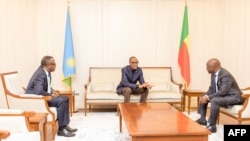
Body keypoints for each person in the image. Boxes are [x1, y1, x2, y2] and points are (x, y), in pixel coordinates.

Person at [25, 56, 77, 137]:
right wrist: (50, 95)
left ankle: (64, 125)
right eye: (54, 64)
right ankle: (61, 130)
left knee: (66, 98)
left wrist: (53, 91)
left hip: (43, 96)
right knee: (61, 101)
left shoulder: (46, 71)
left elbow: (47, 85)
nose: (55, 66)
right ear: (48, 65)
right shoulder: (40, 74)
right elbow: (38, 91)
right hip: (37, 100)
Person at [195, 58, 244, 133]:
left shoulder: (225, 75)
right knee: (204, 95)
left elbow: (223, 92)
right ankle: (202, 119)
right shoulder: (213, 74)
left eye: (208, 67)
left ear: (215, 67)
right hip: (226, 96)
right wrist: (205, 96)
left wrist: (208, 97)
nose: (206, 68)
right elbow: (211, 88)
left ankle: (212, 126)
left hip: (234, 97)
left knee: (215, 100)